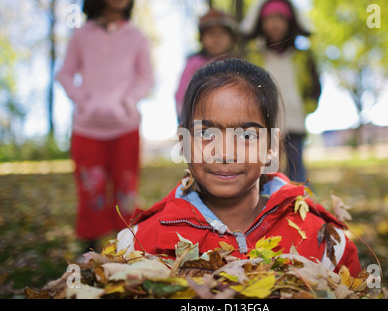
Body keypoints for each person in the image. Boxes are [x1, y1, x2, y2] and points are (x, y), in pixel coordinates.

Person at [117, 58, 361, 277]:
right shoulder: (136, 245)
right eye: (206, 133)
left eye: (246, 135)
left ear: (271, 147)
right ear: (184, 143)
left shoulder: (326, 246)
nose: (224, 153)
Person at [56, 0, 153, 251]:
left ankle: (125, 242)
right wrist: (84, 101)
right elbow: (64, 73)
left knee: (126, 187)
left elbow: (146, 77)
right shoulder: (81, 35)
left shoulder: (136, 36)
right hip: (87, 127)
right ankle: (90, 244)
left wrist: (128, 101)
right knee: (91, 188)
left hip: (125, 126)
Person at [240, 0, 322, 184]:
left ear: (290, 22)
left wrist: (305, 108)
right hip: (263, 124)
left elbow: (314, 87)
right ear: (261, 24)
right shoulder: (254, 56)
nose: (274, 24)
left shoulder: (303, 56)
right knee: (266, 173)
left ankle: (301, 207)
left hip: (295, 123)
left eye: (280, 19)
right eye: (269, 19)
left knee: (296, 173)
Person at [174, 8, 238, 122]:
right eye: (211, 33)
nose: (217, 38)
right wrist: (185, 119)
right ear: (201, 38)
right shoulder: (193, 64)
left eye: (222, 33)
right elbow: (181, 94)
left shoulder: (236, 65)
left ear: (231, 38)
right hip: (199, 122)